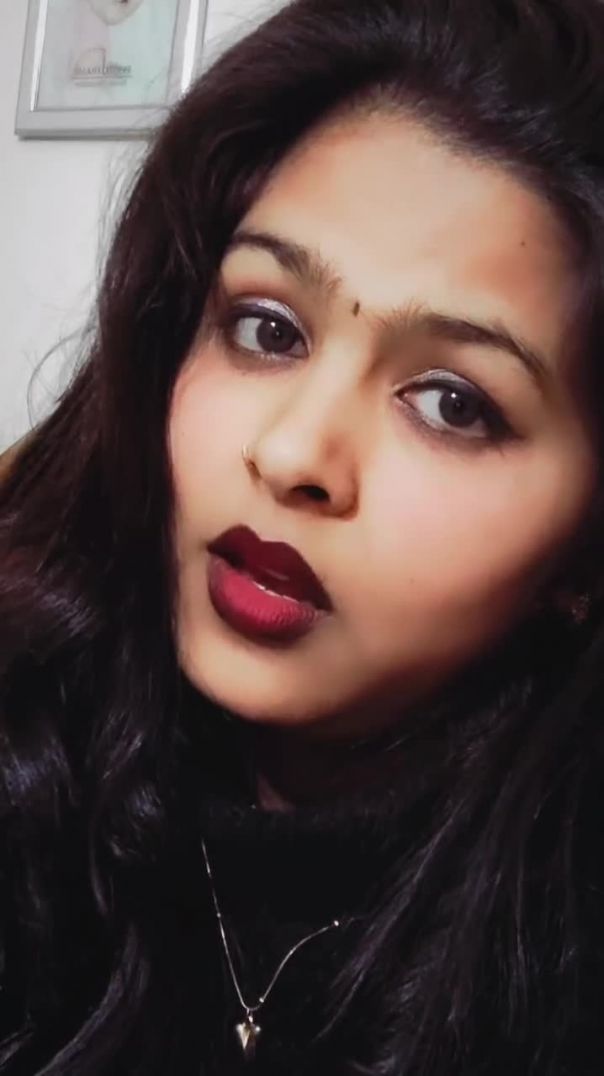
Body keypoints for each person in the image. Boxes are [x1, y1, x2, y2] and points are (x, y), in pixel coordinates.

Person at [2, 0, 604, 1071]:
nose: (291, 455)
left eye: (454, 403)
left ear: (582, 555)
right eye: (267, 327)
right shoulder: (36, 723)